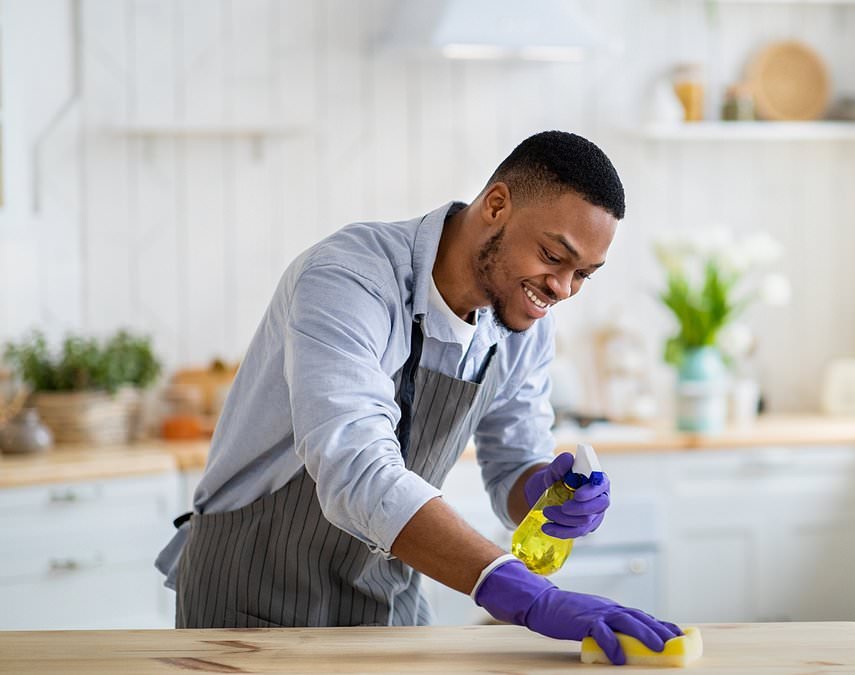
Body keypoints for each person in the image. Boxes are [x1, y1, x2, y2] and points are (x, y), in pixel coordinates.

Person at [155, 130, 681, 665]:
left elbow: (512, 468)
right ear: (497, 205)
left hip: (387, 601)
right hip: (250, 600)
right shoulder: (347, 281)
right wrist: (527, 596)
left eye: (583, 275)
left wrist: (546, 493)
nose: (562, 289)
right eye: (553, 256)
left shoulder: (523, 326)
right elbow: (357, 471)